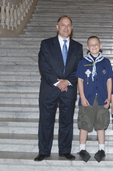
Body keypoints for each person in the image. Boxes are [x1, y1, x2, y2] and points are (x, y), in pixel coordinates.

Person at [35, 15, 83, 161]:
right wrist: (57, 83)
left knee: (66, 120)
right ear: (57, 27)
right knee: (45, 120)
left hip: (68, 89)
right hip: (49, 88)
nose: (66, 28)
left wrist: (67, 82)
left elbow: (79, 68)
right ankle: (44, 151)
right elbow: (43, 65)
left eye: (69, 25)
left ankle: (65, 150)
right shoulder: (46, 44)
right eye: (63, 25)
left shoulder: (78, 47)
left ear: (72, 28)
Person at [75, 36, 113, 162]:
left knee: (100, 124)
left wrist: (108, 97)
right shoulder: (83, 62)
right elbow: (80, 80)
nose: (94, 46)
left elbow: (109, 80)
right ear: (87, 48)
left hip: (102, 98)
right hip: (88, 98)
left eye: (96, 44)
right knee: (84, 124)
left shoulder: (106, 62)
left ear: (100, 46)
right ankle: (82, 149)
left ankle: (101, 149)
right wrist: (82, 97)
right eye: (91, 45)